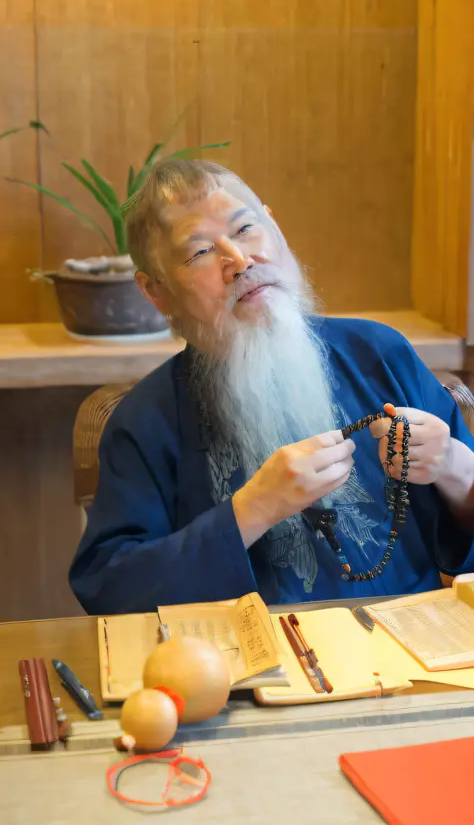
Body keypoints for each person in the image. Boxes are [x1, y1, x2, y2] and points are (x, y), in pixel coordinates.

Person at [69, 159, 474, 615]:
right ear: (155, 291)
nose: (239, 260)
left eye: (246, 229)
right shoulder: (146, 419)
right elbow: (109, 586)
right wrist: (252, 509)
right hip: (252, 673)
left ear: (275, 227)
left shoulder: (378, 353)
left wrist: (457, 468)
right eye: (200, 252)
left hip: (413, 656)